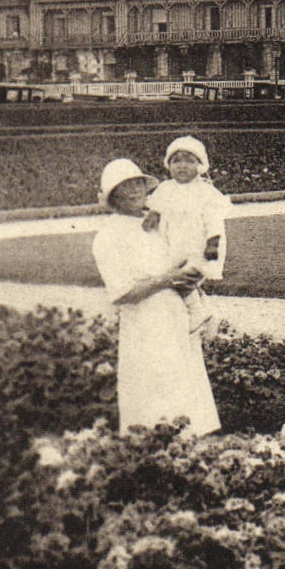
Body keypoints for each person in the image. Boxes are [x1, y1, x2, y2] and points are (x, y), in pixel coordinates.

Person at [92, 158, 221, 436]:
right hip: (145, 326)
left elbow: (183, 252)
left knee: (186, 393)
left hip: (176, 318)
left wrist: (188, 277)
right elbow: (122, 292)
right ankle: (156, 453)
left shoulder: (154, 224)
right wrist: (169, 279)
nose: (136, 190)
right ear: (114, 196)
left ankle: (192, 452)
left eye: (138, 183)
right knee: (154, 398)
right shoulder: (108, 236)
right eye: (126, 187)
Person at [144, 136, 231, 336]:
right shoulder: (166, 188)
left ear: (199, 165)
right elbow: (156, 209)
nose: (182, 166)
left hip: (196, 246)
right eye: (176, 161)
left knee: (185, 278)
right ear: (169, 165)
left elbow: (214, 221)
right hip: (172, 245)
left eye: (189, 160)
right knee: (171, 277)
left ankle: (198, 311)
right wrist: (151, 217)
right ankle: (204, 311)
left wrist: (212, 244)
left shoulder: (205, 192)